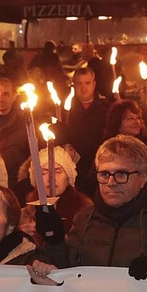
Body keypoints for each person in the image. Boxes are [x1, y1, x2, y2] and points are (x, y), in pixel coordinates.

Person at [28, 135, 147, 280]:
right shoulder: (84, 219)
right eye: (104, 174)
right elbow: (66, 273)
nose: (111, 183)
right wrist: (54, 241)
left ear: (143, 178)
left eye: (121, 174)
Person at [18, 144, 92, 237]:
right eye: (44, 173)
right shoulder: (24, 216)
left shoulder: (85, 212)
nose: (51, 178)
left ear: (68, 177)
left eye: (58, 171)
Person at [63, 66, 112, 196]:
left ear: (94, 84)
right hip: (74, 164)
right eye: (79, 83)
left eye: (87, 83)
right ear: (73, 85)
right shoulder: (65, 109)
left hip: (97, 164)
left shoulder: (106, 108)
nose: (84, 88)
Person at [0, 76, 29, 185]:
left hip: (14, 181)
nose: (0, 99)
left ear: (14, 96)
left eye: (6, 94)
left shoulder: (25, 123)